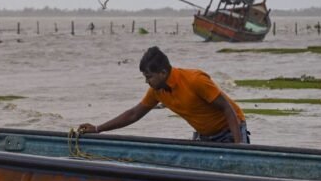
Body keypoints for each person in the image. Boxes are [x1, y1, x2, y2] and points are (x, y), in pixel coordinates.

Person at [78, 46, 250, 144]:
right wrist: (98, 129)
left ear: (162, 72)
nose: (147, 82)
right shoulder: (157, 91)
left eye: (148, 77)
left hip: (229, 130)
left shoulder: (195, 80)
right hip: (204, 135)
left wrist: (238, 147)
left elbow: (227, 109)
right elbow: (133, 114)